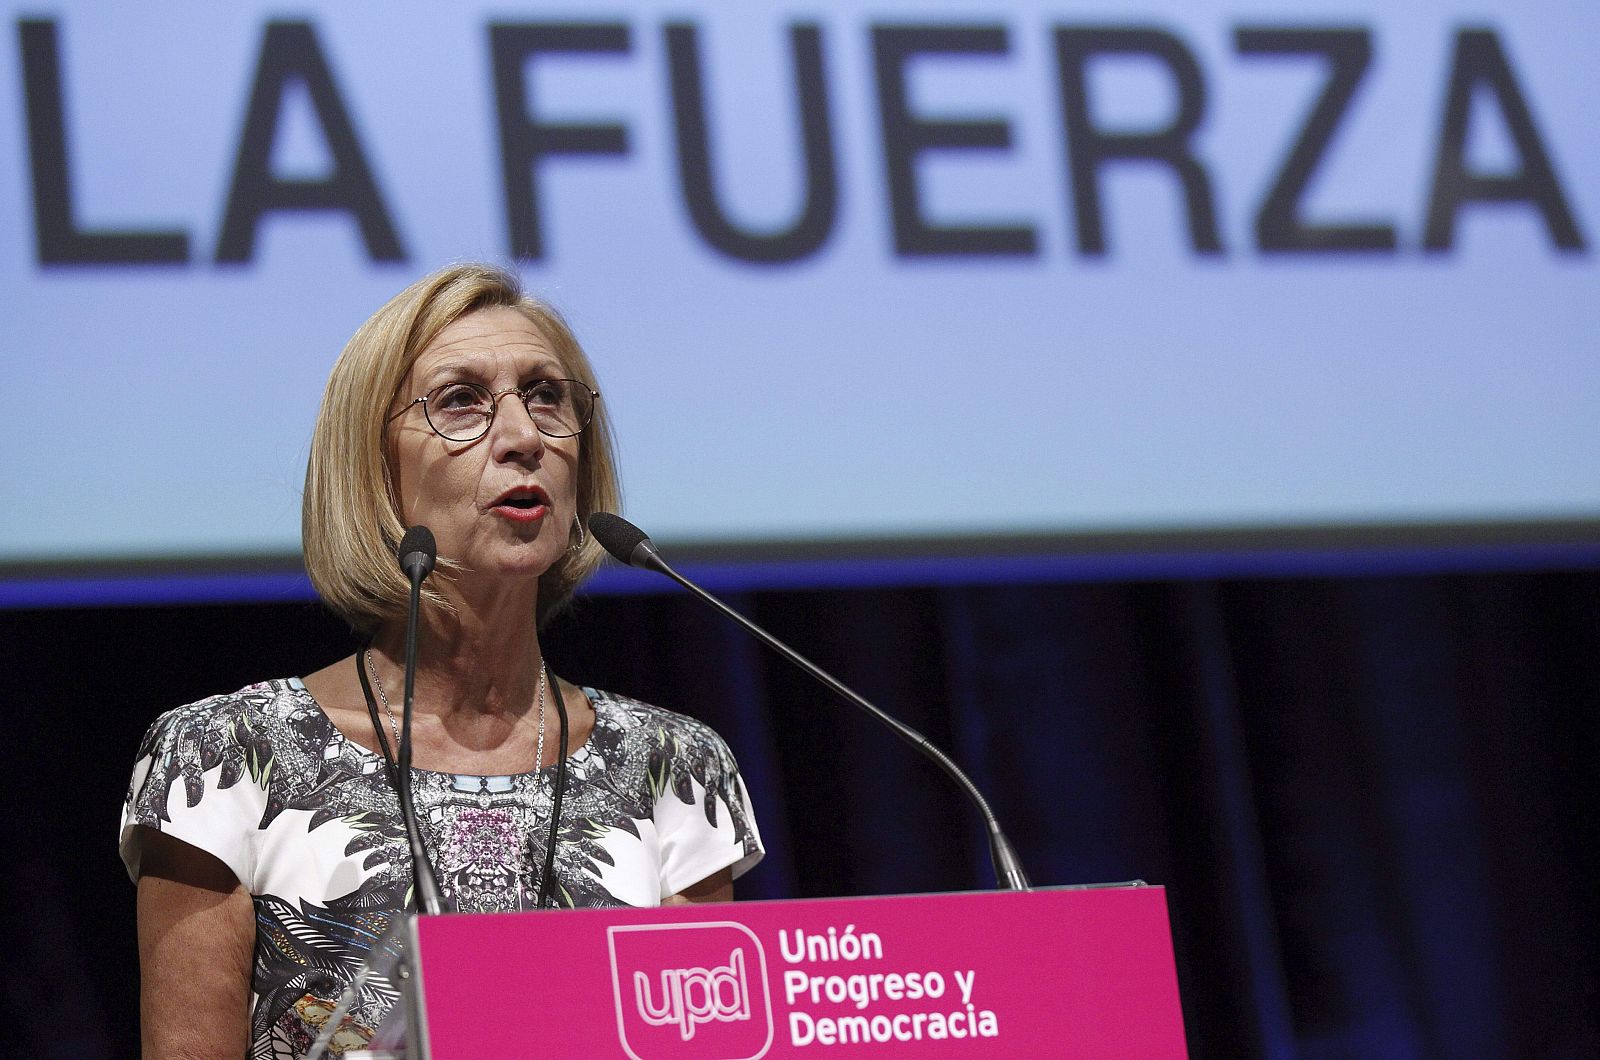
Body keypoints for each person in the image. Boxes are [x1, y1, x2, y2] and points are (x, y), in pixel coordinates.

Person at [120, 264, 765, 1058]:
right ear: (374, 466)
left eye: (547, 397)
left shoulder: (675, 769)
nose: (525, 436)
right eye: (461, 400)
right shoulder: (224, 761)